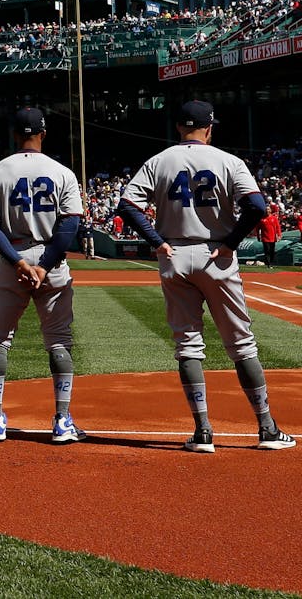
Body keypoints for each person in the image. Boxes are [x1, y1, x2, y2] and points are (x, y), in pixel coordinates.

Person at [116, 100, 294, 453]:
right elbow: (257, 207)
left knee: (187, 346)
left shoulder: (159, 161)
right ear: (209, 128)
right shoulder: (229, 161)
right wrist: (229, 243)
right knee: (241, 345)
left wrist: (157, 242)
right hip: (217, 256)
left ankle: (203, 432)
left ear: (179, 128)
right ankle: (267, 429)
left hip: (175, 255)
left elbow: (127, 205)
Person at [0, 108, 85, 443]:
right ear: (43, 132)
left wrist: (19, 263)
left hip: (13, 259)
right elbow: (70, 225)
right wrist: (44, 265)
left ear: (14, 135)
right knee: (59, 341)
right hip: (50, 260)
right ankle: (63, 421)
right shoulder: (62, 172)